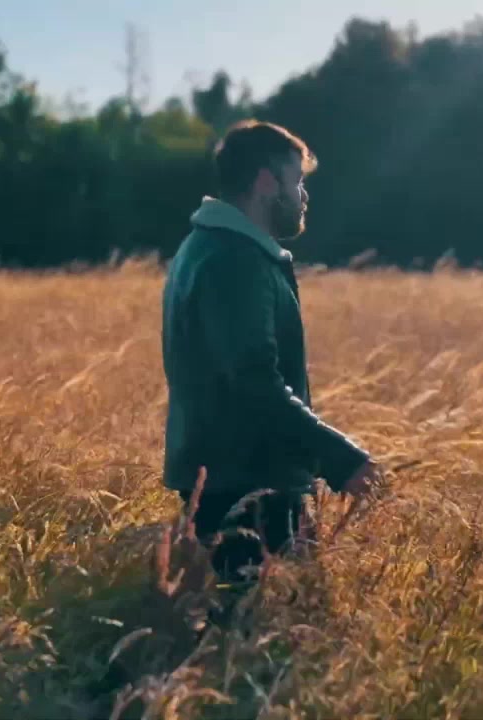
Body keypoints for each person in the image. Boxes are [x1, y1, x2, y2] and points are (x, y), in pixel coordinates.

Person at [160, 119, 383, 597]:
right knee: (258, 628)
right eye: (296, 181)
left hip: (235, 478)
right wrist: (341, 459)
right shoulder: (234, 260)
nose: (303, 196)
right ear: (266, 182)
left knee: (250, 626)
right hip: (246, 485)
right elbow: (253, 383)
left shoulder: (212, 247)